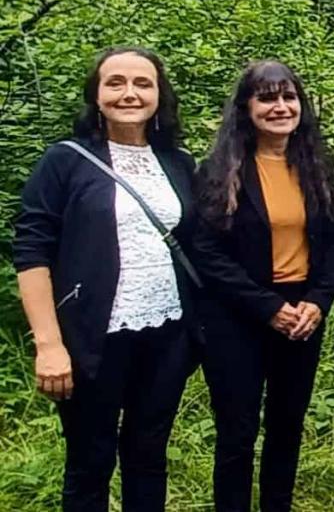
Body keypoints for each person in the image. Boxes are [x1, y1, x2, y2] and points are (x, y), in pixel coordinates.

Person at [12, 47, 198, 511]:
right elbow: (32, 251)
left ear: (159, 94)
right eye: (115, 83)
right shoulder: (65, 161)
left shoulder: (177, 162)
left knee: (148, 456)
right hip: (92, 337)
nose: (129, 93)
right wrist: (49, 345)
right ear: (96, 94)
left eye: (143, 83)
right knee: (89, 461)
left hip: (167, 333)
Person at [191, 61, 334, 512]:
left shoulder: (315, 166)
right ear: (246, 108)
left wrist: (317, 302)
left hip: (303, 316)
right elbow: (207, 253)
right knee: (237, 431)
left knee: (287, 424)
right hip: (239, 316)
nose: (281, 107)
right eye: (268, 98)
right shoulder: (221, 170)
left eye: (289, 97)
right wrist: (268, 308)